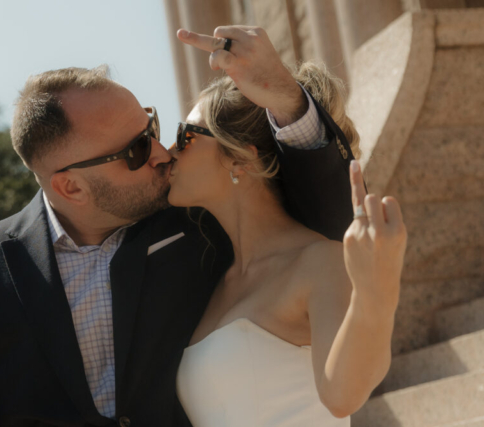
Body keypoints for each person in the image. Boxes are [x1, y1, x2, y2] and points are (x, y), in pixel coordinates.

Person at [0, 26, 358, 427]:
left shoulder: (199, 221)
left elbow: (325, 222)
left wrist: (286, 100)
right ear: (71, 187)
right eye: (136, 151)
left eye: (152, 127)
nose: (162, 152)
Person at [171, 27, 407, 426]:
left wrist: (377, 293)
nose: (170, 150)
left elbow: (342, 395)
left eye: (186, 136)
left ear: (238, 160)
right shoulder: (212, 280)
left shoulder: (321, 261)